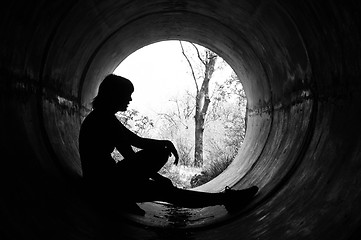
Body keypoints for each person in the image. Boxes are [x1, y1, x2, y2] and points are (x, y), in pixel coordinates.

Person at [79, 74, 258, 216]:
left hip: (107, 181)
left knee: (161, 153)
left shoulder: (102, 116)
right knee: (167, 192)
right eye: (127, 95)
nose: (130, 100)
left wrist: (166, 143)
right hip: (107, 187)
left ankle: (126, 199)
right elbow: (131, 157)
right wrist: (159, 179)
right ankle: (226, 199)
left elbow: (137, 141)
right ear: (114, 95)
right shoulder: (104, 120)